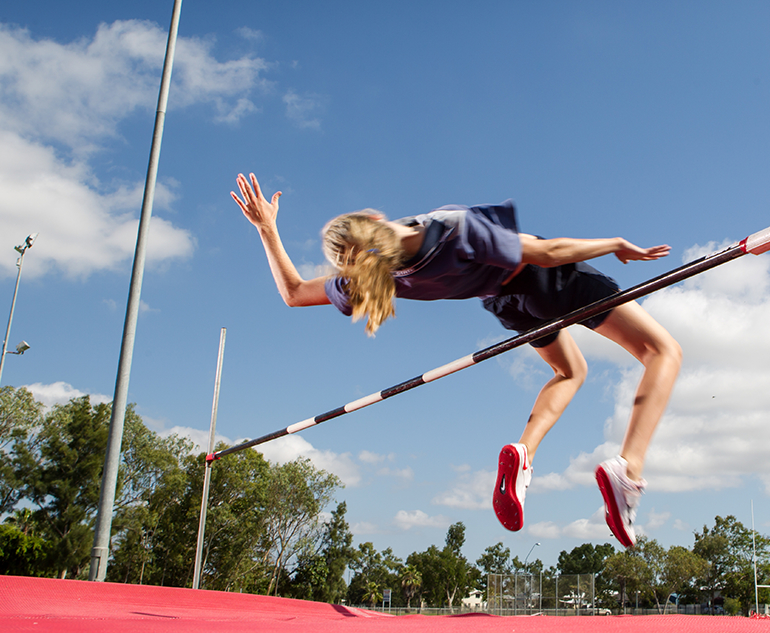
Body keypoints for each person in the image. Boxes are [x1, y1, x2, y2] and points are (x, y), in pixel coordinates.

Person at [231, 172, 681, 548]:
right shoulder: (454, 229)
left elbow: (292, 294)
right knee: (662, 352)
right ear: (373, 218)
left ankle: (523, 454)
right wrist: (617, 243)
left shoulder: (375, 276)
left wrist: (266, 229)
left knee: (569, 371)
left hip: (510, 304)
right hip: (550, 280)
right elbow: (547, 253)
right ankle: (629, 470)